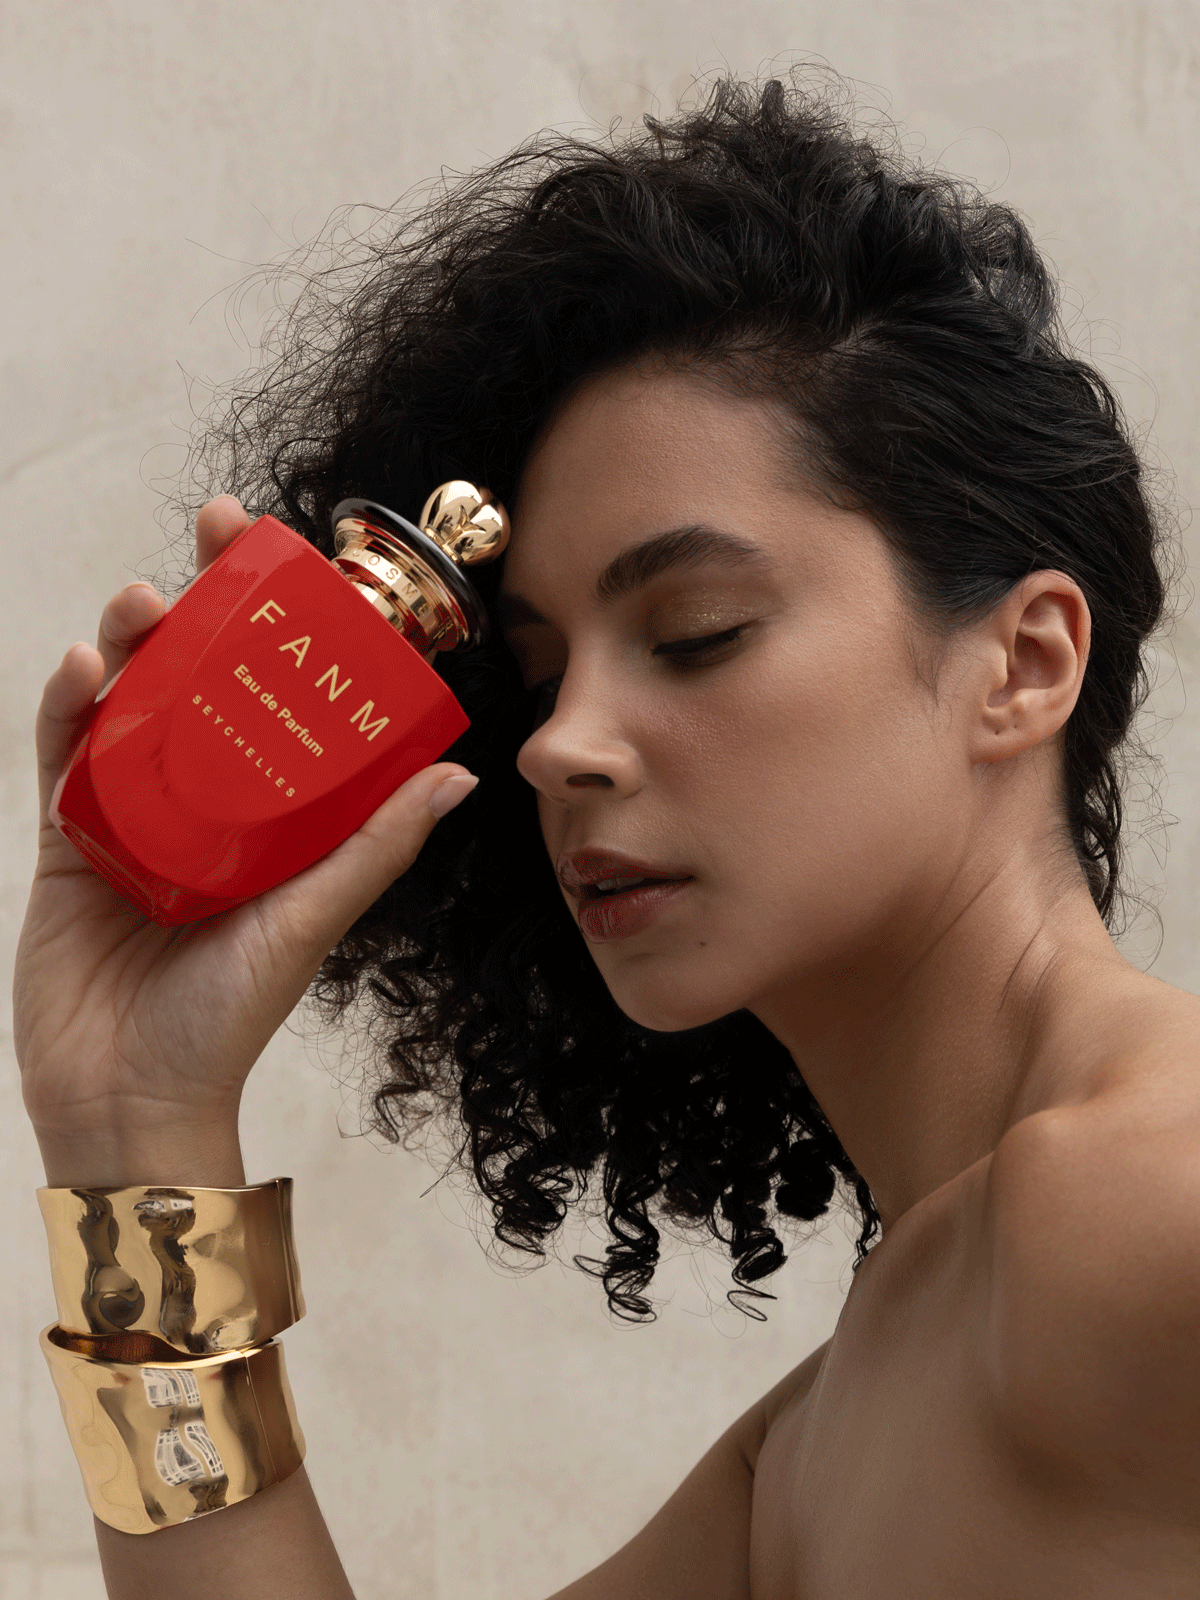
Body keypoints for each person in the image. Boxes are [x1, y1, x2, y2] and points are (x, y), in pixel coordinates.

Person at [15, 70, 1199, 1598]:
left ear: (1024, 664)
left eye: (697, 631)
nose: (559, 743)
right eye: (536, 676)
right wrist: (135, 1132)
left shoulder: (1144, 1200)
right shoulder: (823, 1434)